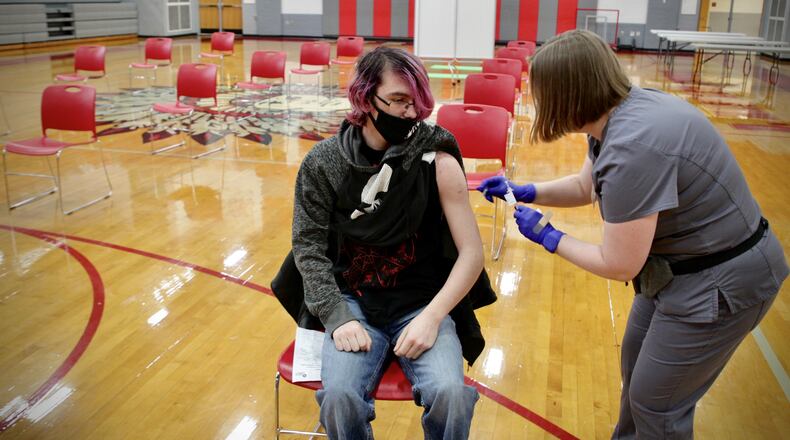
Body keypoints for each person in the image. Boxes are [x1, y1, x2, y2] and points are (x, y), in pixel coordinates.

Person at [478, 30, 788, 439]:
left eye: (544, 91)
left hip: (720, 283)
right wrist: (526, 190)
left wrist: (550, 236)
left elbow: (620, 262)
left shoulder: (635, 146)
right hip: (677, 272)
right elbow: (585, 188)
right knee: (636, 378)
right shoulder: (616, 115)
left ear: (569, 94)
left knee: (657, 406)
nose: (538, 101)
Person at [288, 46, 493, 439]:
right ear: (365, 99)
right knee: (339, 399)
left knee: (451, 394)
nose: (411, 113)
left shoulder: (437, 157)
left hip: (422, 302)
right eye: (399, 101)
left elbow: (472, 254)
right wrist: (336, 315)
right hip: (354, 302)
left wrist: (433, 317)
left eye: (416, 102)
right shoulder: (324, 163)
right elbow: (308, 249)